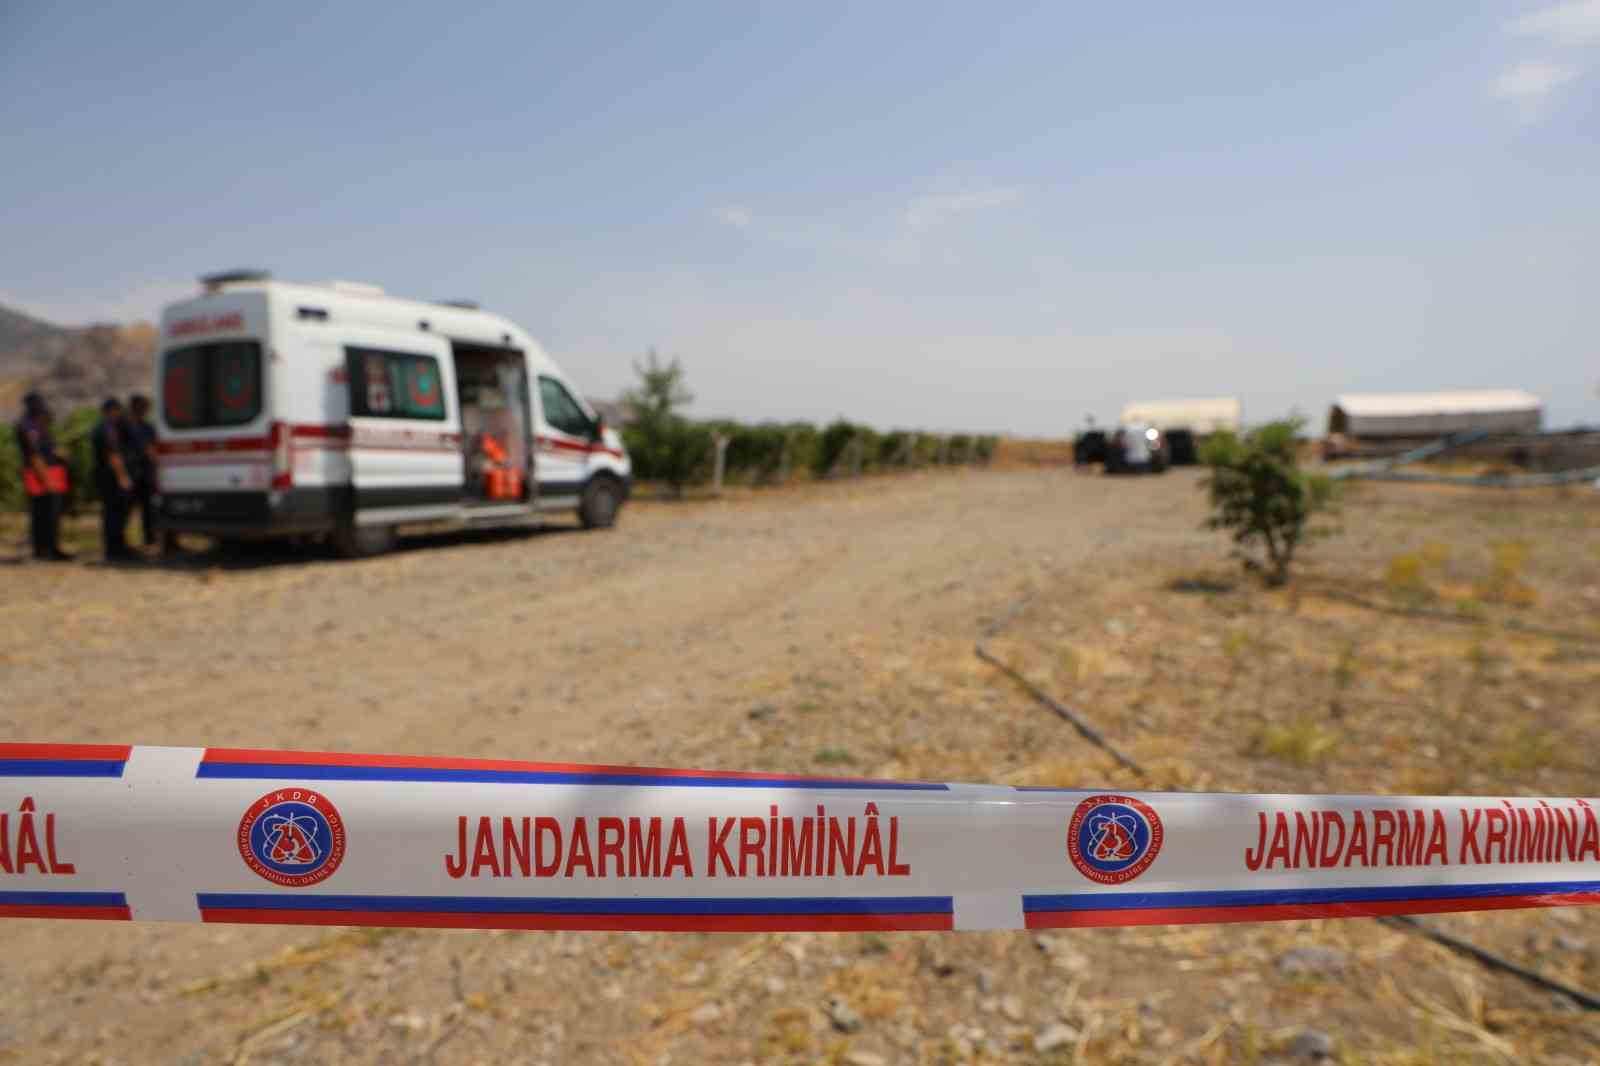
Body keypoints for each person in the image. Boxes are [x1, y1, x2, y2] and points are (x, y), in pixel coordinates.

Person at [14, 392, 72, 561]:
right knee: (44, 513)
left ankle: (49, 548)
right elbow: (34, 456)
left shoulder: (39, 426)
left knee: (49, 513)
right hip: (42, 475)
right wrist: (45, 480)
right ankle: (45, 549)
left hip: (51, 472)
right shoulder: (28, 427)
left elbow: (47, 448)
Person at [90, 397, 135, 561]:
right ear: (112, 411)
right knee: (115, 514)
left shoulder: (101, 427)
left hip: (105, 478)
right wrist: (122, 477)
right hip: (111, 479)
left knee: (112, 514)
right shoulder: (107, 429)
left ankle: (116, 547)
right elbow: (113, 455)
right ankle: (116, 549)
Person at [123, 393, 160, 548]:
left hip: (141, 473)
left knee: (147, 510)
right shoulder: (129, 427)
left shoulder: (140, 426)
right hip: (135, 473)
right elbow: (150, 450)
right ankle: (127, 541)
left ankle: (148, 540)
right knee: (129, 509)